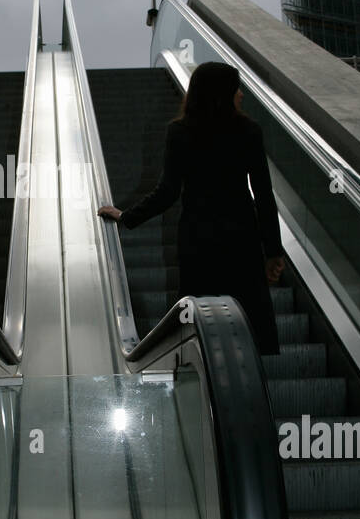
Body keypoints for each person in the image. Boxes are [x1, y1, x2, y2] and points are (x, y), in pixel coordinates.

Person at [97, 62, 286, 354]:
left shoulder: (181, 132)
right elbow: (263, 194)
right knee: (246, 318)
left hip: (198, 238)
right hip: (241, 238)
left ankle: (202, 373)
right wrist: (273, 250)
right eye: (236, 89)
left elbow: (168, 192)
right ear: (222, 93)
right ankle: (245, 379)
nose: (241, 95)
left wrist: (126, 217)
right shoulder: (249, 131)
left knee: (201, 318)